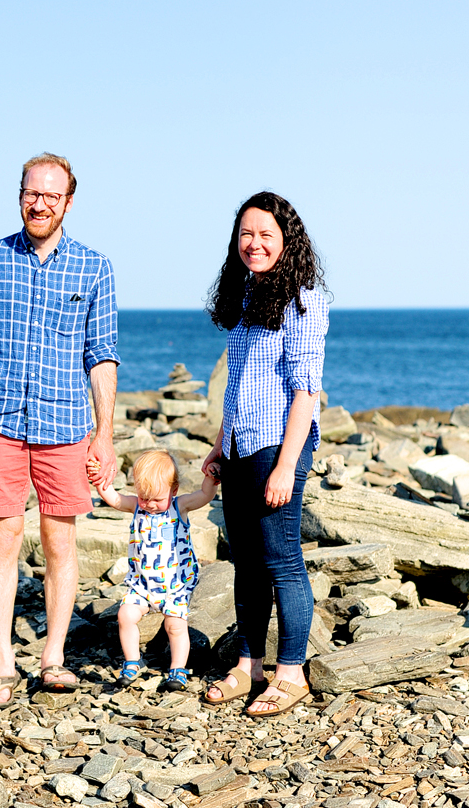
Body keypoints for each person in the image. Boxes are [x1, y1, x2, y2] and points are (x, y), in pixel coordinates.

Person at [0, 152, 119, 708]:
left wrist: (105, 433)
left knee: (59, 543)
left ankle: (53, 657)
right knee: (3, 541)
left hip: (65, 422)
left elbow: (102, 355)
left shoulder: (95, 268)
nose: (39, 203)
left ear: (69, 202)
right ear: (20, 193)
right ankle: (2, 665)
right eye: (31, 192)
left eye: (51, 195)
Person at [201, 191, 328, 717]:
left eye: (266, 235)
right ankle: (247, 665)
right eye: (246, 234)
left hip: (279, 445)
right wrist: (218, 446)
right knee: (246, 564)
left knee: (283, 563)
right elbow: (240, 386)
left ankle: (291, 673)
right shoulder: (249, 296)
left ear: (286, 240)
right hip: (240, 446)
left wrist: (284, 466)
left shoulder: (305, 298)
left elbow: (305, 391)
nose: (254, 244)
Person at [90, 449, 219, 692]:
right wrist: (99, 480)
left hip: (175, 586)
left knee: (175, 626)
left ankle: (178, 669)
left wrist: (211, 479)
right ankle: (132, 661)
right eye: (143, 497)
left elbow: (204, 495)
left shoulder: (179, 506)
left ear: (174, 489)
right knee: (125, 616)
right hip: (142, 585)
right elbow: (113, 497)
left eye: (156, 499)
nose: (149, 505)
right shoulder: (136, 507)